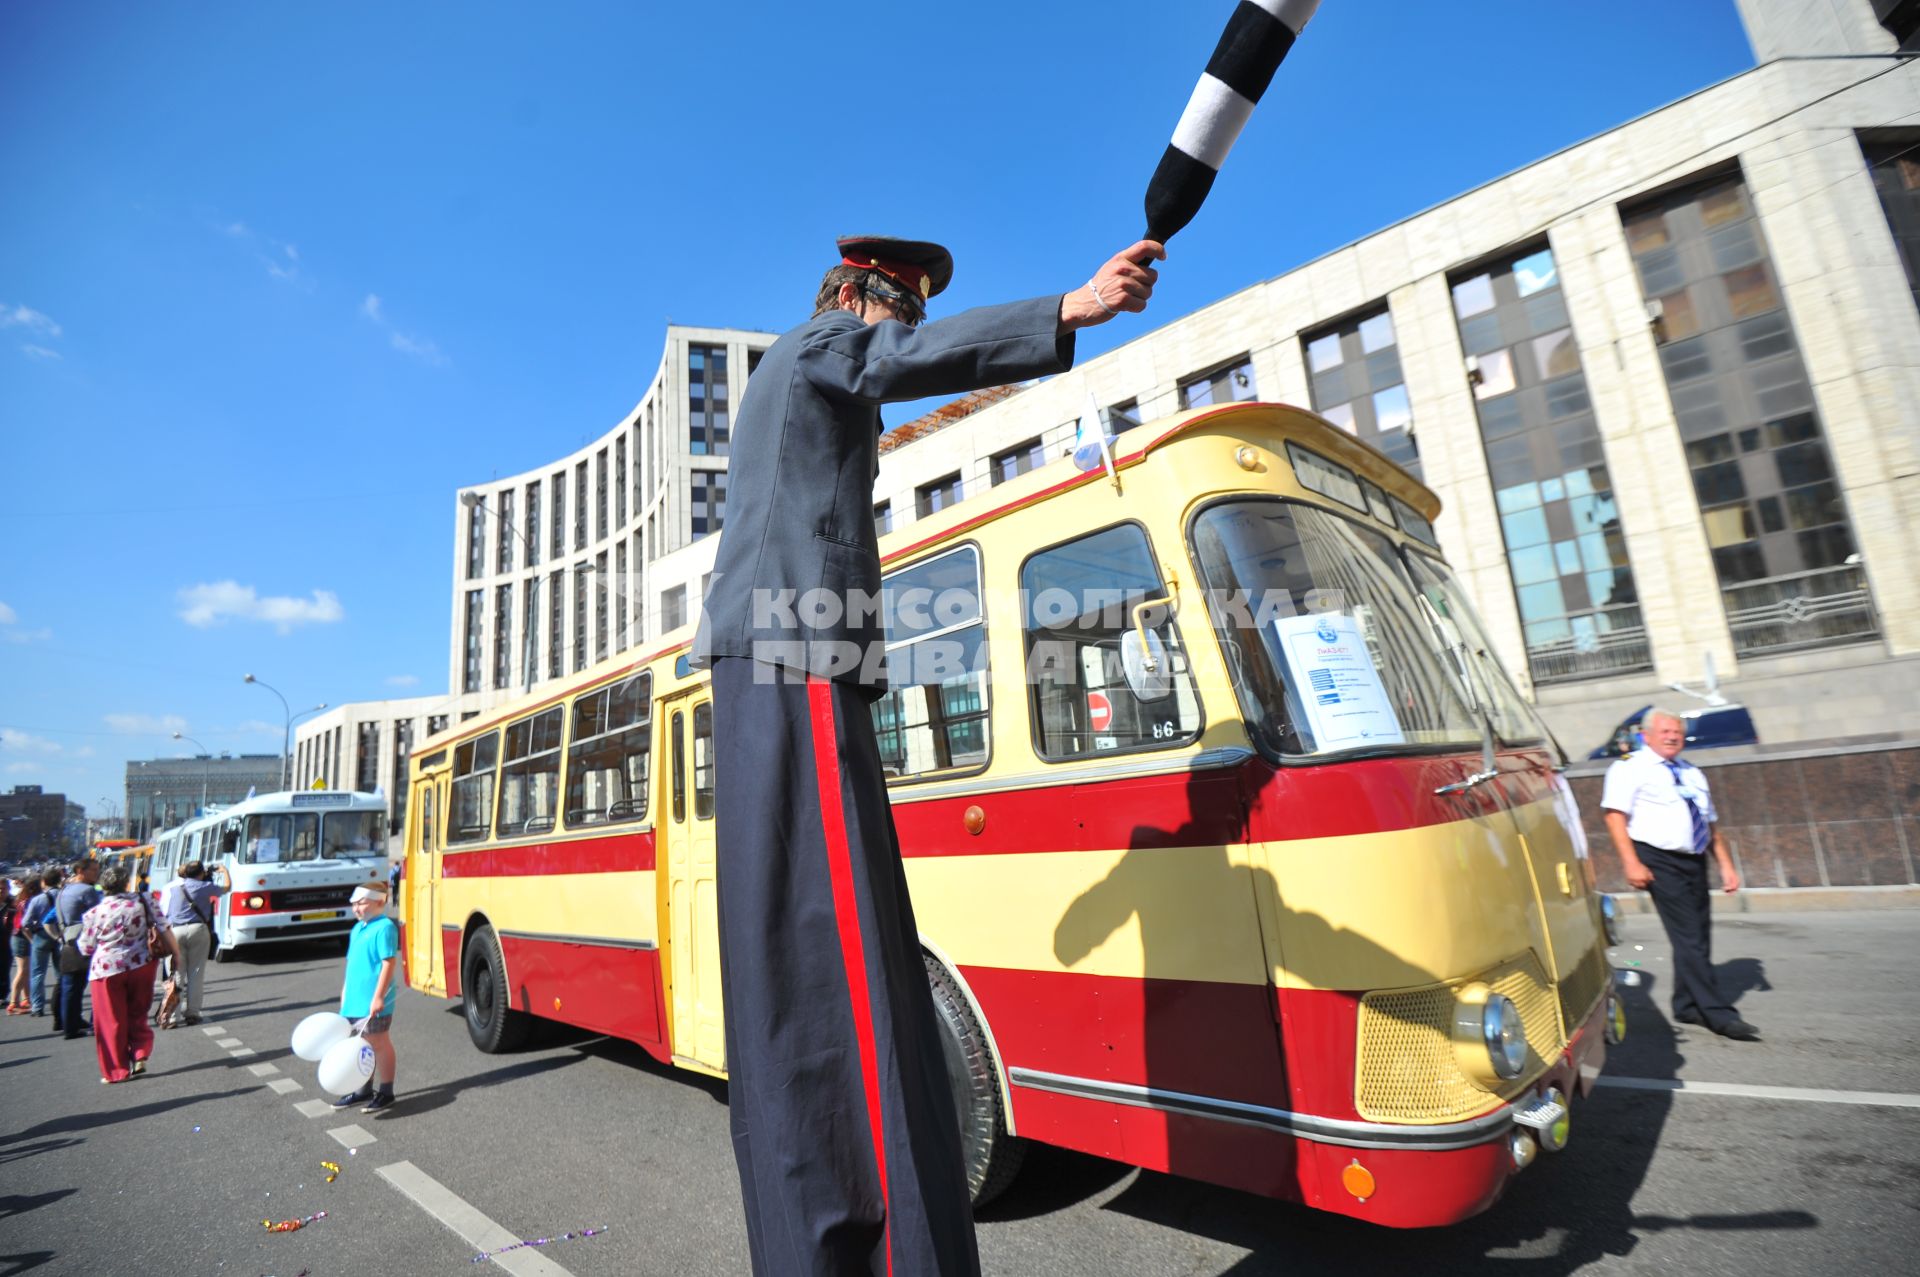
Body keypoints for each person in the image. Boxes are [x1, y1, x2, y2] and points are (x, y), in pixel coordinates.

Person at [694, 234, 1162, 1276]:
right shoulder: (824, 340)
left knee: (826, 961)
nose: (906, 334)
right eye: (905, 313)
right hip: (796, 644)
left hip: (792, 650)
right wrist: (1072, 308)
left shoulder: (801, 371)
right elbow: (883, 361)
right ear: (869, 296)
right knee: (842, 971)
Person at [1601, 707, 1758, 1040]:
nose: (1673, 737)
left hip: (1693, 857)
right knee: (1688, 935)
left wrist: (1726, 866)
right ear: (1646, 736)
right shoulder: (1630, 768)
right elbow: (1615, 817)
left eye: (1678, 733)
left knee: (1698, 934)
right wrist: (1631, 863)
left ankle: (1686, 1004)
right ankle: (1718, 1013)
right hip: (1656, 858)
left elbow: (1710, 823)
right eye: (1665, 732)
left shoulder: (1691, 772)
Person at [75, 862, 169, 1083]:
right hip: (141, 965)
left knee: (111, 1020)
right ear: (126, 883)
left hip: (106, 970)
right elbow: (164, 926)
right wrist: (176, 957)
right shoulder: (143, 902)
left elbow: (86, 947)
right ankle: (140, 1052)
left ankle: (117, 1071)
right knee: (137, 1013)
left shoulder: (93, 913)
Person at [332, 883, 399, 1113]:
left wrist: (378, 996)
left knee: (378, 1043)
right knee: (360, 1046)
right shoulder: (357, 928)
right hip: (354, 1000)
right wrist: (344, 993)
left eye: (361, 903)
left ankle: (387, 1091)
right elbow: (351, 965)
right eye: (354, 904)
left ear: (379, 901)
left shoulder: (385, 927)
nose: (356, 908)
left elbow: (388, 962)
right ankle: (363, 1090)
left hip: (374, 1001)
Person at [158, 860, 219, 1027]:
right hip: (198, 929)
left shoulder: (169, 888)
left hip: (174, 931)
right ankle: (193, 1013)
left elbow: (162, 913)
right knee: (196, 974)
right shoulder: (203, 886)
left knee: (176, 976)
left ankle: (171, 1017)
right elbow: (226, 888)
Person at [52, 858, 102, 1039]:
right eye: (93, 870)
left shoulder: (64, 890)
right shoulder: (88, 891)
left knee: (71, 985)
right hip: (83, 940)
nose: (97, 874)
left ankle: (70, 1022)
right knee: (84, 984)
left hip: (67, 939)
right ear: (81, 871)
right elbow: (98, 915)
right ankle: (74, 1026)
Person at [24, 866, 62, 1019]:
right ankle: (60, 1004)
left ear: (43, 882)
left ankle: (38, 1007)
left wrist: (32, 939)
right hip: (60, 934)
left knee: (38, 973)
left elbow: (25, 923)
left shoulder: (37, 899)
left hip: (40, 934)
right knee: (61, 972)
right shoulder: (63, 895)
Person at [7, 873, 36, 1013]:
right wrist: (32, 940)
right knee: (22, 971)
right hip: (21, 937)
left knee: (25, 971)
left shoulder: (21, 900)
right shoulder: (26, 902)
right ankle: (14, 1002)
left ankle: (26, 999)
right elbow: (24, 926)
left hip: (18, 936)